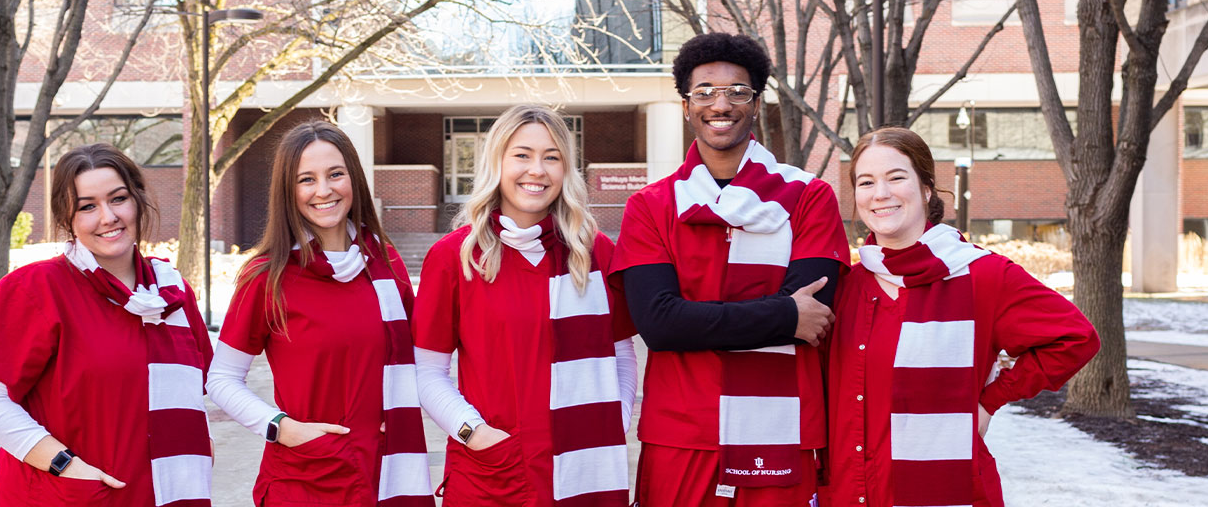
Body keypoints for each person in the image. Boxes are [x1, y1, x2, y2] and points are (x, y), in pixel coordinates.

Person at [611, 32, 849, 506]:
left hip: (779, 423)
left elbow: (815, 315)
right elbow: (658, 326)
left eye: (737, 91)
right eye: (704, 92)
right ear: (686, 106)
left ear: (756, 103)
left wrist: (696, 318)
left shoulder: (808, 195)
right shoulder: (651, 205)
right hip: (682, 431)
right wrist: (783, 315)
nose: (721, 104)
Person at [822, 127, 1100, 507]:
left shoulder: (980, 276)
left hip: (947, 489)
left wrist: (990, 401)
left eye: (896, 177)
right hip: (849, 493)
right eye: (866, 182)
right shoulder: (845, 287)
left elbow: (1075, 339)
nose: (880, 193)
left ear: (926, 188)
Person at [0, 143, 214, 507]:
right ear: (69, 219)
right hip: (74, 495)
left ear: (138, 201)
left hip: (169, 495)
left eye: (118, 199)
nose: (108, 216)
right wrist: (65, 465)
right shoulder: (37, 289)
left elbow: (195, 395)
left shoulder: (172, 293)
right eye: (87, 206)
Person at [413, 105, 638, 506]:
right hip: (494, 472)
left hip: (588, 466)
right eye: (522, 155)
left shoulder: (595, 251)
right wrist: (473, 433)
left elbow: (621, 353)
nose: (537, 170)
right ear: (497, 161)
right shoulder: (455, 256)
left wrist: (612, 423)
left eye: (551, 157)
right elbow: (428, 373)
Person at [203, 121, 434, 507]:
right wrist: (281, 427)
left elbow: (417, 361)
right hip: (306, 479)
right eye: (306, 179)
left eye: (335, 174)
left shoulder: (386, 263)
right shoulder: (267, 275)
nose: (323, 190)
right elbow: (222, 379)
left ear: (354, 180)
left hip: (387, 471)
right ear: (288, 191)